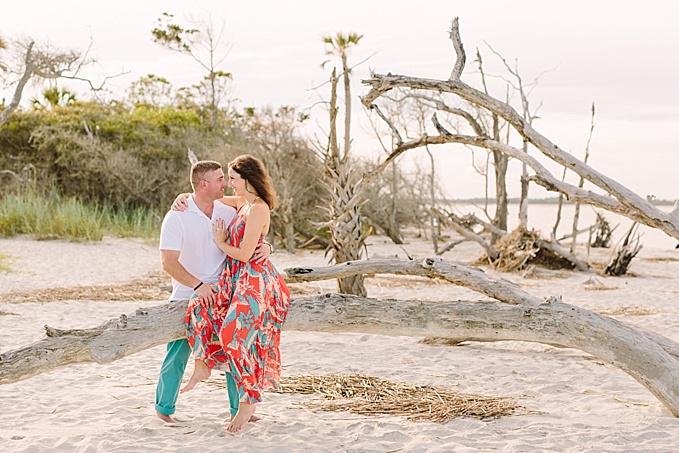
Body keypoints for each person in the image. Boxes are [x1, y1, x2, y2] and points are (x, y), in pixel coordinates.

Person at [176, 154, 291, 433]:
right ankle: (202, 364)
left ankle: (248, 402)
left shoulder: (259, 208)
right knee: (200, 305)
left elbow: (243, 253)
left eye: (233, 178)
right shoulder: (242, 203)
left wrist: (220, 242)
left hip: (255, 279)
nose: (229, 183)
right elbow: (205, 199)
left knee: (232, 334)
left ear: (248, 179)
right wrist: (182, 196)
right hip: (235, 278)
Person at [156, 160, 272, 423]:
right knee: (177, 355)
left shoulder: (227, 208)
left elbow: (253, 228)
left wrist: (268, 247)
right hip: (188, 294)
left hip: (226, 294)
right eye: (220, 179)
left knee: (234, 350)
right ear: (203, 184)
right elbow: (168, 262)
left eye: (227, 178)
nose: (226, 184)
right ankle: (164, 409)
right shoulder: (177, 216)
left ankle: (237, 409)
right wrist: (198, 286)